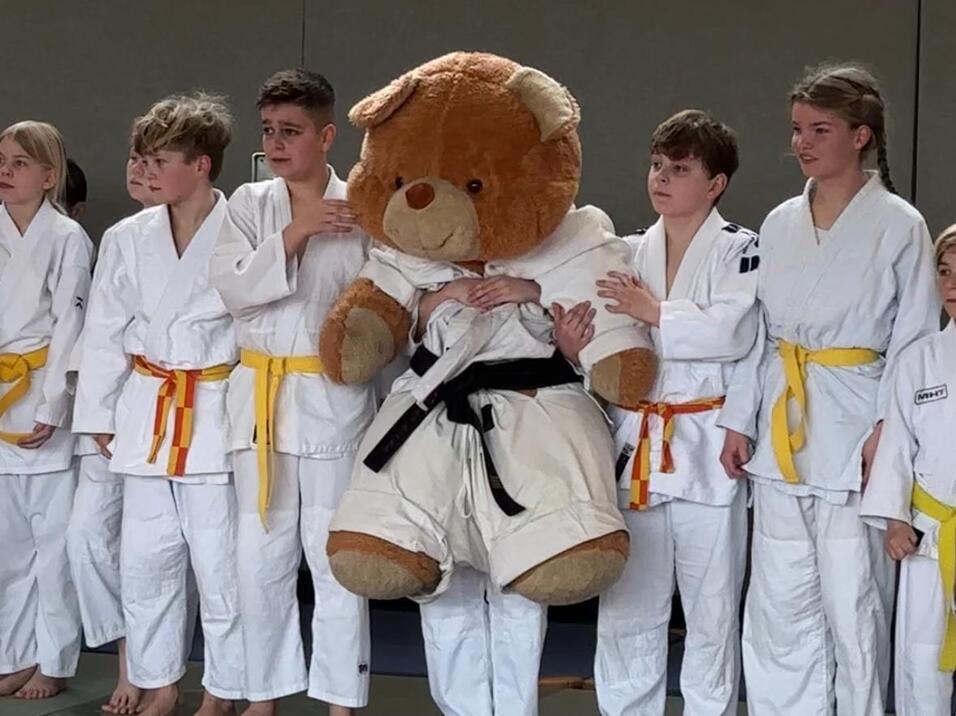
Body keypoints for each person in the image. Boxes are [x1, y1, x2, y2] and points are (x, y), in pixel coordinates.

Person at [717, 63, 940, 714]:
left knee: (855, 601)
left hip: (855, 427)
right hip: (780, 435)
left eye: (820, 129)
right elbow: (758, 334)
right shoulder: (781, 221)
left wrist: (888, 435)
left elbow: (915, 341)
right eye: (795, 130)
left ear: (862, 136)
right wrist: (739, 417)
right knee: (778, 603)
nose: (802, 143)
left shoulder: (899, 224)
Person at [583, 109, 759, 716]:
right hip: (640, 444)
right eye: (656, 165)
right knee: (630, 603)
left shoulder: (742, 251)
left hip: (708, 444)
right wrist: (572, 341)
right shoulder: (630, 251)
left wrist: (652, 311)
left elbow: (735, 334)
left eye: (679, 169)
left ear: (715, 184)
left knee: (711, 607)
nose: (660, 178)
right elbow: (606, 345)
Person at [73, 93, 242, 716]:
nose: (147, 170)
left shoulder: (244, 228)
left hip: (217, 407)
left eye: (161, 158)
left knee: (220, 561)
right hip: (146, 409)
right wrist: (97, 414)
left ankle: (224, 688)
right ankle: (160, 680)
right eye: (142, 157)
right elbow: (105, 330)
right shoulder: (127, 237)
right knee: (146, 559)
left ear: (201, 165)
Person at [211, 68, 370, 716]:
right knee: (259, 555)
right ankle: (264, 693)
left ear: (327, 135)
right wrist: (298, 231)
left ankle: (339, 698)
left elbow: (382, 302)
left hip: (330, 396)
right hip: (261, 400)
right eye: (270, 131)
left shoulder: (362, 210)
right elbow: (234, 290)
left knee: (333, 555)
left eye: (292, 131)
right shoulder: (249, 206)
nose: (277, 144)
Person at [0, 120, 92, 700]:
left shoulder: (67, 238)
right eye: (2, 161)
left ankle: (54, 660)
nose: (5, 171)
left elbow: (71, 327)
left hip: (41, 396)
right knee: (8, 547)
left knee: (53, 545)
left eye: (18, 163)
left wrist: (54, 404)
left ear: (49, 175)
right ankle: (13, 654)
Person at [859, 224, 956, 716]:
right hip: (931, 533)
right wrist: (894, 518)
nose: (952, 285)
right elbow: (895, 444)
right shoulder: (918, 360)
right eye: (944, 273)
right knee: (921, 662)